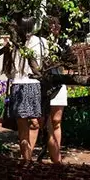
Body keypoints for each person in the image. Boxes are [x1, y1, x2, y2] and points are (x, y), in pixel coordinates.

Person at [6, 16, 47, 160]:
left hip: (35, 84)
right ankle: (27, 160)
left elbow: (45, 63)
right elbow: (8, 69)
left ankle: (27, 158)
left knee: (35, 122)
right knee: (23, 124)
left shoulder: (41, 42)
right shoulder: (13, 44)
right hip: (19, 84)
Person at [40, 17, 69, 165]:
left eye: (58, 24)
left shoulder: (63, 42)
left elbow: (71, 60)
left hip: (59, 83)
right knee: (45, 122)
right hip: (44, 84)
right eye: (53, 24)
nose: (56, 27)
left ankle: (56, 159)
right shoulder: (41, 43)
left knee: (56, 121)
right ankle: (52, 155)